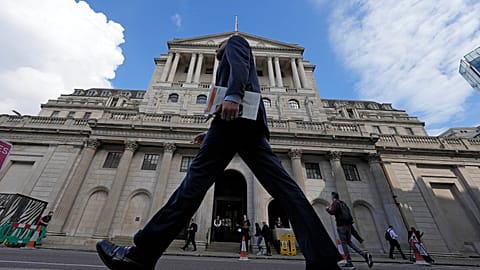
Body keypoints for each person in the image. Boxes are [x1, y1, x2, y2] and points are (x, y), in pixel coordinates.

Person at [96, 35, 342, 270]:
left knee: (191, 187)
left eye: (216, 47)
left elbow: (239, 72)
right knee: (286, 190)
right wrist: (211, 131)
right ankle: (323, 259)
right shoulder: (233, 55)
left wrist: (233, 97)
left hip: (233, 122)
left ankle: (141, 255)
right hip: (246, 125)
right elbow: (234, 83)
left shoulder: (236, 42)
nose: (215, 50)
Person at [326, 192, 373, 269]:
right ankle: (364, 254)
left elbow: (332, 212)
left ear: (333, 197)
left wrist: (327, 209)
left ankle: (349, 262)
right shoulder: (343, 203)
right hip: (348, 226)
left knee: (344, 244)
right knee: (349, 242)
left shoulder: (335, 203)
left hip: (341, 227)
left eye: (332, 197)